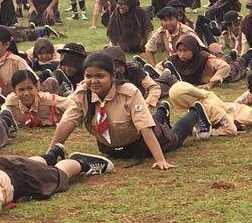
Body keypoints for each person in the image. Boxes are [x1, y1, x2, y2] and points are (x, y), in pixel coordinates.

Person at [43, 51, 185, 170]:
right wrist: (51, 154)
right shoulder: (83, 94)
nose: (93, 81)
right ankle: (162, 110)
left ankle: (194, 114)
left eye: (100, 76)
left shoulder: (129, 92)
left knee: (174, 136)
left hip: (141, 144)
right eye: (88, 76)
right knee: (151, 119)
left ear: (112, 76)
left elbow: (145, 128)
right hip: (110, 150)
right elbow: (67, 122)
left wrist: (160, 159)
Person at [0, 150, 112, 216]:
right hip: (9, 166)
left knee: (59, 174)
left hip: (23, 178)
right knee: (30, 164)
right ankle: (52, 155)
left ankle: (83, 163)